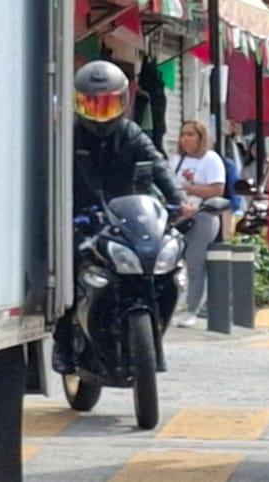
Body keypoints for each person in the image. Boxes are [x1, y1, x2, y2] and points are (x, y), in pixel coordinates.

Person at [58, 60, 183, 373]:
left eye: (108, 105)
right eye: (92, 105)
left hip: (125, 218)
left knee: (161, 263)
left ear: (124, 101)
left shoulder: (131, 134)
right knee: (68, 269)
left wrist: (178, 201)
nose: (101, 114)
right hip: (82, 218)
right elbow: (50, 175)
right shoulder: (69, 135)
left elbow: (158, 165)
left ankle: (155, 332)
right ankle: (63, 342)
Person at [170, 120, 227, 328]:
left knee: (195, 264)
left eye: (190, 135)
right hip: (178, 217)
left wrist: (188, 188)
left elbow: (217, 190)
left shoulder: (211, 160)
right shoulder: (176, 160)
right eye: (183, 134)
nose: (185, 139)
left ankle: (192, 309)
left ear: (201, 138)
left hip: (202, 216)